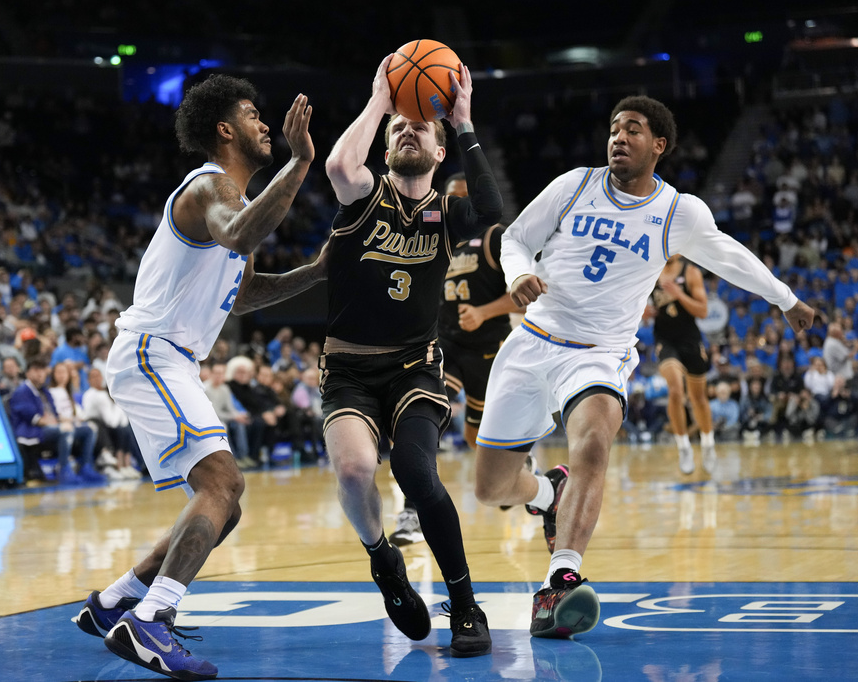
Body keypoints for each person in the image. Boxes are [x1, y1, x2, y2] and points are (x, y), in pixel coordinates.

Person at [471, 95, 814, 640]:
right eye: (613, 128)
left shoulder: (679, 212)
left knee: (593, 442)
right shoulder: (574, 185)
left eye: (632, 128)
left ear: (659, 145)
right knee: (489, 488)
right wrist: (516, 274)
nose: (618, 137)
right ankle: (545, 494)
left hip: (599, 353)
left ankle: (561, 578)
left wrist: (786, 299)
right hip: (533, 340)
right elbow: (515, 238)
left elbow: (729, 255)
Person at [74, 74, 325, 681]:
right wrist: (300, 162)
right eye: (252, 112)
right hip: (153, 353)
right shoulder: (209, 187)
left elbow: (241, 297)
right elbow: (241, 233)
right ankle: (151, 621)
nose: (264, 122)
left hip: (167, 360)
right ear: (224, 129)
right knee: (223, 483)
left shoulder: (234, 203)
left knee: (225, 504)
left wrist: (318, 271)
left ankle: (116, 602)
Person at [319, 54, 501, 658]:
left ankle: (465, 605)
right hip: (347, 369)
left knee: (416, 474)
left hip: (414, 368)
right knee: (351, 473)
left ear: (440, 151)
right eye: (399, 127)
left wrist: (465, 120)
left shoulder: (448, 213)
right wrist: (382, 100)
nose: (407, 130)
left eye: (420, 126)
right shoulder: (364, 195)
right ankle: (384, 562)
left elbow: (492, 211)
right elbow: (340, 162)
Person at [390, 172, 522, 548]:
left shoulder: (496, 236)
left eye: (466, 199)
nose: (458, 207)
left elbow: (524, 294)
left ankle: (515, 470)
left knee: (473, 436)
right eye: (452, 198)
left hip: (489, 349)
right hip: (443, 344)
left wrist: (484, 312)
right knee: (419, 420)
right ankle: (412, 513)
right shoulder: (431, 237)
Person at [648, 255, 716, 475]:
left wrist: (678, 294)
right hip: (664, 340)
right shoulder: (650, 270)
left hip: (690, 339)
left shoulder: (690, 272)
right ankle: (683, 446)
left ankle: (707, 442)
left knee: (698, 398)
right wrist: (642, 312)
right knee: (675, 389)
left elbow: (703, 311)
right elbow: (632, 302)